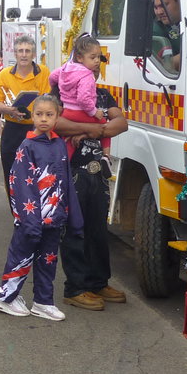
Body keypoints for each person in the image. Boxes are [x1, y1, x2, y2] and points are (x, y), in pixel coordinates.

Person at [0, 94, 82, 321]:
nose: (44, 119)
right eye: (39, 114)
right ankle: (6, 298)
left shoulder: (59, 144)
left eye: (49, 115)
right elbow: (20, 184)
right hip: (30, 217)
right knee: (21, 256)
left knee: (48, 260)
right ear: (32, 116)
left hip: (54, 218)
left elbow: (66, 181)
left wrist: (73, 216)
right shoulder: (27, 146)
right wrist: (28, 219)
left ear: (57, 117)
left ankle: (43, 301)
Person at [52, 82, 129, 310]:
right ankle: (75, 288)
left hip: (98, 172)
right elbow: (55, 122)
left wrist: (91, 130)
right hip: (70, 172)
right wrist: (92, 127)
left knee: (98, 230)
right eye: (91, 58)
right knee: (74, 230)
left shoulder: (103, 95)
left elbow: (121, 123)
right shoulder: (62, 93)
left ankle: (98, 283)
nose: (95, 64)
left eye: (98, 59)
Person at [0, 35, 51, 202]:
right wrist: (10, 110)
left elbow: (48, 100)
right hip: (12, 129)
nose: (24, 55)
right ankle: (17, 215)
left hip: (36, 130)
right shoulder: (4, 74)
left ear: (33, 54)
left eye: (28, 51)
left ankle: (37, 213)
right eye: (20, 51)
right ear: (15, 54)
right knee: (11, 174)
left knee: (37, 175)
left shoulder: (44, 72)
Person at [48, 35, 110, 163]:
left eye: (98, 57)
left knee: (70, 139)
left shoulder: (66, 68)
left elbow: (52, 77)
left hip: (67, 112)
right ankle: (106, 157)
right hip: (80, 112)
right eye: (93, 57)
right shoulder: (87, 75)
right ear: (80, 58)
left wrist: (59, 86)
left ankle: (64, 164)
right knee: (104, 125)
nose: (97, 61)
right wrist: (94, 112)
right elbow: (83, 99)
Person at [152, 0, 182, 72]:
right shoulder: (156, 29)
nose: (159, 12)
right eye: (155, 7)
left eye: (164, 5)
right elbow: (163, 66)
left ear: (180, 0)